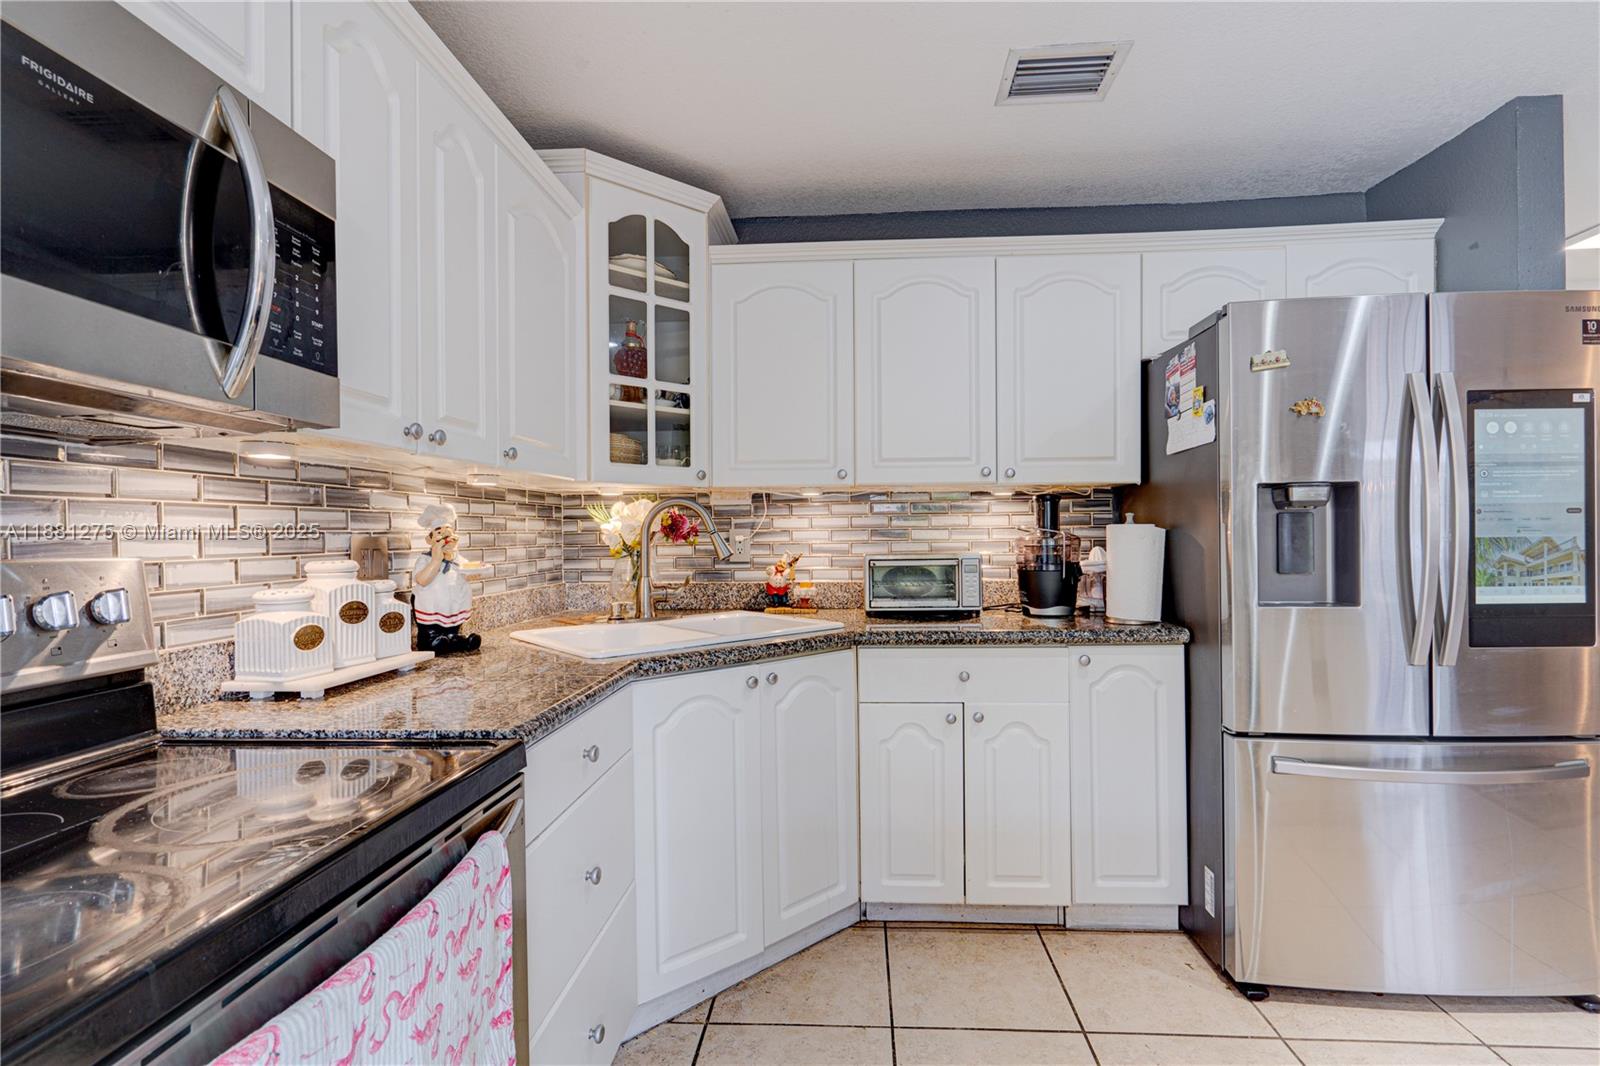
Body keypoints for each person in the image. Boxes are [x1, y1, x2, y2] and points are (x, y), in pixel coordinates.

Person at [412, 503, 481, 654]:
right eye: (439, 532)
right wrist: (436, 559)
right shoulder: (425, 560)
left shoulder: (457, 558)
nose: (445, 536)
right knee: (433, 634)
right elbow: (422, 580)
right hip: (431, 607)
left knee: (453, 632)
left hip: (452, 606)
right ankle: (432, 640)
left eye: (448, 533)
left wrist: (476, 569)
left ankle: (456, 640)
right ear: (429, 540)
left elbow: (470, 570)